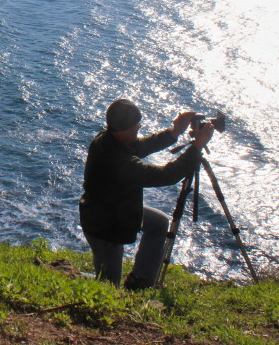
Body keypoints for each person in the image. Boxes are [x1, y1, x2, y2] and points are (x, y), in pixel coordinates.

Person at [78, 98, 214, 289]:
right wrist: (197, 147)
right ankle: (83, 283)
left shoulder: (108, 138)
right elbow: (167, 175)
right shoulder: (119, 161)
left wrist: (174, 132)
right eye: (136, 125)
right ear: (124, 129)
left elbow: (141, 145)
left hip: (109, 210)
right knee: (108, 287)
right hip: (105, 228)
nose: (139, 128)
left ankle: (140, 281)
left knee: (158, 223)